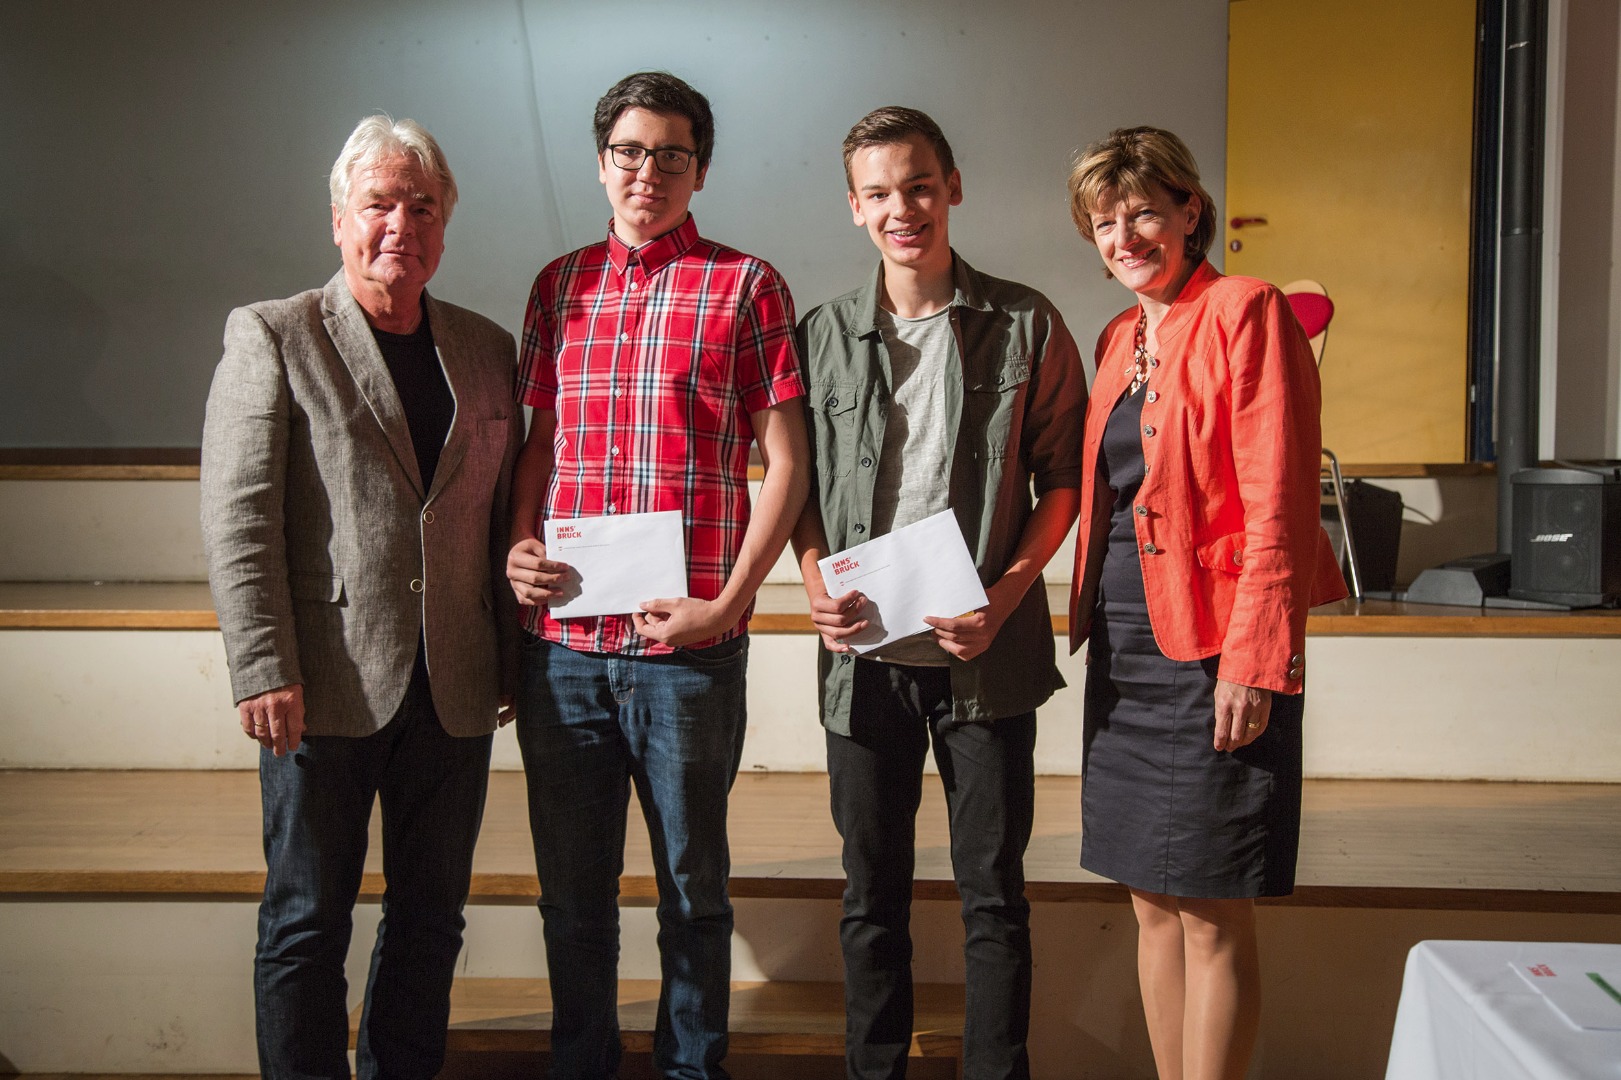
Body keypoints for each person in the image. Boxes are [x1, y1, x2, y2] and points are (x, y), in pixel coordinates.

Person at [200, 115, 521, 1079]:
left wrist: (509, 654)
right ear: (339, 217)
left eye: (422, 206)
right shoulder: (274, 333)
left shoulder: (485, 345)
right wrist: (262, 666)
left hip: (455, 687)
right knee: (306, 923)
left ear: (444, 225)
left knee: (431, 922)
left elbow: (503, 510)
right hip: (322, 684)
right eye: (379, 203)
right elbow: (239, 515)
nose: (400, 225)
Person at [504, 71, 809, 1080]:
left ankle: (691, 1070)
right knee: (573, 897)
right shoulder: (558, 287)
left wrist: (728, 603)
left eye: (671, 154)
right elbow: (536, 451)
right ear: (602, 164)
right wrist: (519, 543)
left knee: (693, 891)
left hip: (688, 651)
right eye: (630, 152)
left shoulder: (746, 284)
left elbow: (789, 465)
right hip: (565, 654)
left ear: (700, 169)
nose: (648, 172)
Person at [792, 107, 1086, 1080]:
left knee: (992, 895)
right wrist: (808, 580)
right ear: (853, 208)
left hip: (985, 657)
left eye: (917, 185)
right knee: (869, 895)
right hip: (863, 660)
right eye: (878, 192)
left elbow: (1065, 484)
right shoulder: (819, 334)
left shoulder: (1027, 322)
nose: (901, 208)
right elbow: (791, 487)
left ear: (952, 187)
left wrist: (1004, 597)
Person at [1065, 127, 1348, 1080]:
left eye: (1143, 210)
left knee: (1210, 906)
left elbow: (1276, 493)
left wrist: (1253, 656)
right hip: (1127, 651)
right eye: (1104, 221)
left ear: (1191, 210)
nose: (1124, 235)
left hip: (1210, 644)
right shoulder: (1117, 336)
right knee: (1148, 897)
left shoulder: (1245, 309)